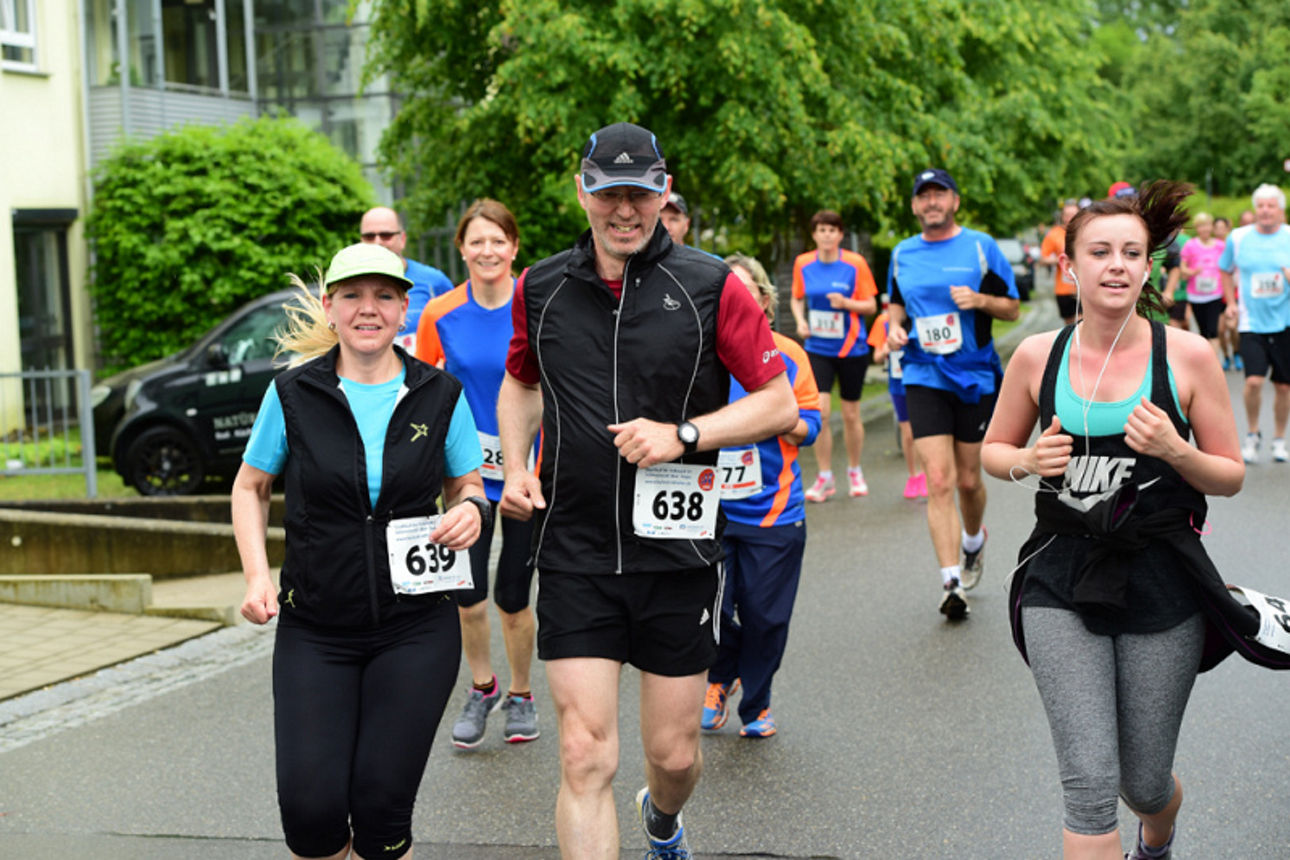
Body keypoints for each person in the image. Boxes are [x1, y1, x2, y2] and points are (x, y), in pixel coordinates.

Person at [496, 121, 797, 860]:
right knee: (583, 751)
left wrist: (683, 435)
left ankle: (662, 821)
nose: (624, 210)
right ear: (582, 192)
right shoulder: (540, 288)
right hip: (575, 549)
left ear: (663, 191)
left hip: (678, 551)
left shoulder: (710, 284)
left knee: (674, 756)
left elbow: (779, 402)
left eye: (640, 193)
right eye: (608, 193)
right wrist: (514, 464)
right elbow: (519, 384)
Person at [981, 179, 1244, 860]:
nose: (1118, 264)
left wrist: (1175, 450)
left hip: (1163, 578)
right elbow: (992, 450)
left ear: (1149, 265)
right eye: (1100, 251)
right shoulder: (1039, 356)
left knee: (1143, 780)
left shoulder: (1186, 355)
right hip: (1060, 576)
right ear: (1070, 265)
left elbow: (1230, 474)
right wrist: (1027, 460)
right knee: (1090, 783)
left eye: (1132, 252)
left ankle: (1158, 833)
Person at [233, 242, 487, 860]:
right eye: (352, 295)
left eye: (383, 296)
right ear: (330, 306)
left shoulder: (440, 394)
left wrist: (470, 512)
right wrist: (256, 577)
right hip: (315, 629)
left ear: (405, 308)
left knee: (380, 808)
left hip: (416, 628)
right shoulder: (292, 394)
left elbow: (468, 484)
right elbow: (250, 486)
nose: (367, 308)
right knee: (310, 812)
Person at [415, 199, 541, 749]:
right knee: (466, 597)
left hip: (527, 475)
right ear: (461, 249)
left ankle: (520, 695)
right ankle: (482, 687)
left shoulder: (535, 304)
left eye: (498, 241)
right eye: (477, 241)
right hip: (465, 478)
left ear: (514, 247)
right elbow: (420, 394)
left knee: (513, 598)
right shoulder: (438, 313)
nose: (487, 251)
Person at [885, 168, 1019, 620]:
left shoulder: (981, 247)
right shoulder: (902, 253)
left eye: (939, 194)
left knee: (968, 480)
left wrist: (980, 301)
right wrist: (894, 328)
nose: (931, 202)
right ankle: (951, 582)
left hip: (975, 374)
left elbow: (1013, 307)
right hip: (923, 372)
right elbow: (896, 303)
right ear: (914, 206)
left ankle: (974, 540)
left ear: (955, 201)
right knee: (938, 480)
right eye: (923, 196)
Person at [701, 254, 821, 740]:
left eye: (744, 292)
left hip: (774, 509)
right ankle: (718, 676)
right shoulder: (698, 352)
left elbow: (809, 426)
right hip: (707, 509)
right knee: (707, 609)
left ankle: (756, 701)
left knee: (765, 617)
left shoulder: (787, 354)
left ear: (765, 303)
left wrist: (771, 416)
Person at [790, 209, 880, 501]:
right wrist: (800, 320)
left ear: (840, 235)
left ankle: (855, 470)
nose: (827, 235)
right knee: (822, 413)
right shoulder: (803, 263)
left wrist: (846, 303)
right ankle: (824, 476)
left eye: (832, 230)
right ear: (814, 234)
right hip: (818, 348)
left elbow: (871, 306)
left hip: (851, 347)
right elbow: (796, 296)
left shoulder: (855, 264)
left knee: (852, 414)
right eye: (821, 230)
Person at [1219, 183, 1290, 463]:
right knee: (1253, 381)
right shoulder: (1238, 238)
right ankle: (1252, 434)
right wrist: (1231, 303)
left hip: (1284, 322)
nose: (1265, 210)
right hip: (1251, 322)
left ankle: (1279, 439)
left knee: (1284, 387)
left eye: (1271, 205)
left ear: (1281, 210)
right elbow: (1225, 270)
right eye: (1261, 205)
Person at [360, 206, 455, 338]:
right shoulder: (349, 286)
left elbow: (456, 331)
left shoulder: (434, 282)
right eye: (369, 236)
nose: (377, 242)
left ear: (402, 239)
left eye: (386, 235)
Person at [868, 304, 926, 498]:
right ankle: (913, 475)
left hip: (922, 381)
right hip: (898, 384)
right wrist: (885, 349)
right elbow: (876, 356)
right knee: (908, 434)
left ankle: (927, 474)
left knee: (925, 432)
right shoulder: (883, 322)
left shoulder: (921, 315)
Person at [1179, 213, 1227, 363]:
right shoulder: (1190, 245)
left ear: (1211, 227)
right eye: (1201, 226)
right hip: (1196, 295)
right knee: (1203, 332)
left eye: (1207, 225)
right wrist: (1192, 272)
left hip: (1215, 294)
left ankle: (1214, 365)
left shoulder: (1220, 246)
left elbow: (1228, 268)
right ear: (1197, 228)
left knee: (1214, 331)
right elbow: (1182, 269)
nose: (1204, 229)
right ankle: (1207, 364)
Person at [1042, 201, 1081, 325]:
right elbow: (1044, 258)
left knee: (1084, 323)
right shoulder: (1054, 234)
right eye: (1067, 215)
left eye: (1074, 214)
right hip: (1064, 289)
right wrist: (1062, 260)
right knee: (1071, 325)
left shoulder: (1087, 232)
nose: (1070, 218)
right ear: (1062, 217)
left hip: (1085, 287)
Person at [1212, 216, 1241, 370]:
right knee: (1220, 330)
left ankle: (1236, 352)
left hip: (1232, 293)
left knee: (1233, 327)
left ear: (1227, 229)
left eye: (1223, 228)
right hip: (1216, 294)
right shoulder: (1211, 247)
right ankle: (1227, 357)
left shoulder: (1233, 245)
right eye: (1217, 228)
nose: (1220, 231)